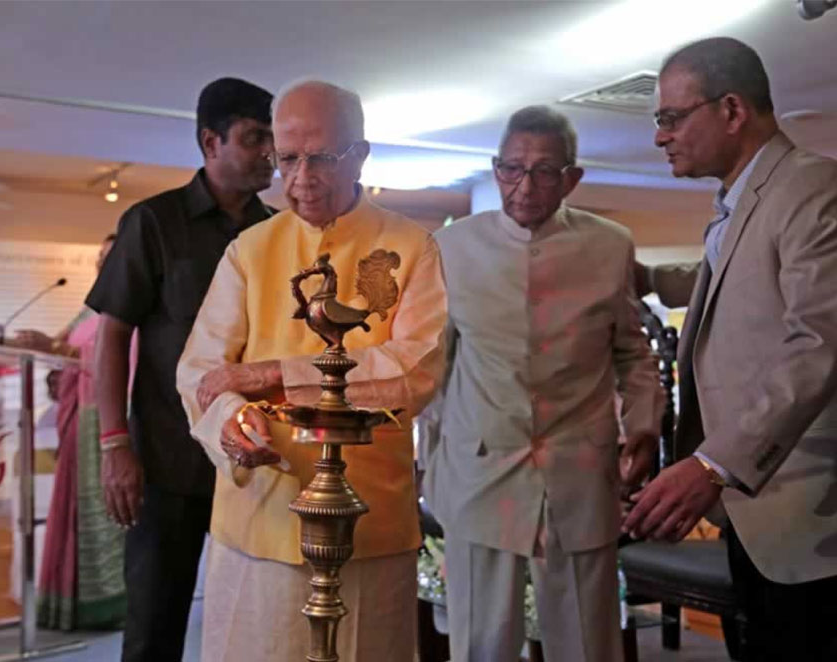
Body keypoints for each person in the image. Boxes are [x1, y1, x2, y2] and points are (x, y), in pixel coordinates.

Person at [176, 80, 446, 662]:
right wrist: (231, 424)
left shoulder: (411, 247)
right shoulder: (248, 249)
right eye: (287, 158)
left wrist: (272, 374)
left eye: (321, 157)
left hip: (367, 521)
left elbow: (415, 370)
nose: (300, 178)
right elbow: (201, 369)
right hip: (260, 513)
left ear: (361, 156)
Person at [623, 37, 837, 660]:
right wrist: (644, 277)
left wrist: (712, 464)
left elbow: (820, 341)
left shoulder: (816, 187)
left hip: (815, 514)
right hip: (756, 505)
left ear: (732, 110)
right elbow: (734, 283)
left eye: (671, 117)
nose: (659, 136)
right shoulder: (742, 200)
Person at [419, 106, 662, 662]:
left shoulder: (610, 245)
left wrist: (644, 427)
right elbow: (435, 368)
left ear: (571, 178)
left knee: (588, 642)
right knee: (482, 644)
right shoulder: (451, 247)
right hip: (480, 469)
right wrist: (429, 465)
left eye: (545, 171)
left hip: (580, 470)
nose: (525, 186)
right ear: (495, 169)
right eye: (512, 169)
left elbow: (633, 352)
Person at [84, 77, 276, 661]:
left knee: (254, 621)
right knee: (155, 626)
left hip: (255, 462)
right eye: (254, 138)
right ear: (211, 141)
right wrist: (115, 444)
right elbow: (112, 336)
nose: (269, 153)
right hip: (168, 461)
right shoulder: (154, 222)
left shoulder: (277, 232)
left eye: (273, 139)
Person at [27, 234, 126, 630]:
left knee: (106, 510)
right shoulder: (91, 307)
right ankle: (70, 604)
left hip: (110, 416)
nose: (101, 263)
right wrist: (34, 344)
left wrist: (60, 352)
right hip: (79, 415)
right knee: (75, 508)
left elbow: (126, 355)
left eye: (110, 256)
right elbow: (60, 343)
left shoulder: (134, 303)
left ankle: (111, 605)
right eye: (99, 257)